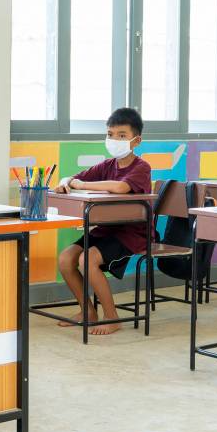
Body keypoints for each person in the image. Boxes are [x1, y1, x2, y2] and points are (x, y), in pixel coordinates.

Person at [53, 107, 153, 336]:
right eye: (110, 134)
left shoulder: (142, 167)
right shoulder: (107, 165)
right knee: (66, 258)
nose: (114, 139)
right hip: (106, 230)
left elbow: (121, 187)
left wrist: (82, 185)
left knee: (87, 259)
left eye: (121, 135)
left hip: (132, 232)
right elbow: (76, 177)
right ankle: (87, 311)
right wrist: (66, 182)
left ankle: (112, 317)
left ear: (136, 140)